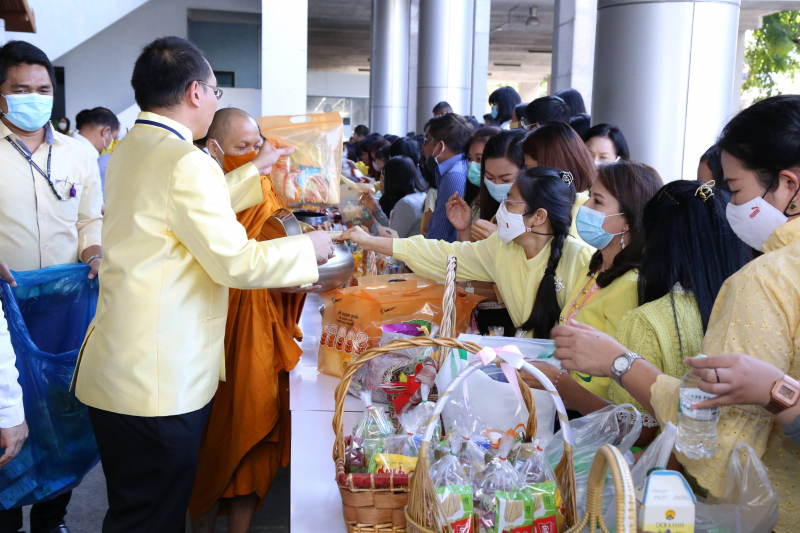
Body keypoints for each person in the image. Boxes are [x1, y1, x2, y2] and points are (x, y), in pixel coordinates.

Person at [69, 36, 334, 532]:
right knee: (153, 516)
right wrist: (308, 249)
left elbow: (181, 210)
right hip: (157, 383)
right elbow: (236, 262)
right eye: (215, 90)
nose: (214, 100)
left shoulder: (134, 147)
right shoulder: (185, 161)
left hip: (121, 368)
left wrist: (254, 169)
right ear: (195, 92)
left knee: (135, 509)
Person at [189, 107, 317, 533]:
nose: (255, 153)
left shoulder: (263, 184)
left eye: (257, 144)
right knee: (211, 435)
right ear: (214, 149)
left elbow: (279, 238)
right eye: (241, 147)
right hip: (215, 319)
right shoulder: (202, 189)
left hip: (260, 319)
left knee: (255, 426)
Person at [553, 180, 751, 445]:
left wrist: (565, 387)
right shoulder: (745, 308)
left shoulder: (647, 320)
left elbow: (638, 430)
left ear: (658, 242)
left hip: (657, 466)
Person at [0, 40, 104, 533]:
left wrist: (94, 251)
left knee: (62, 408)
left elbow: (89, 219)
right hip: (5, 305)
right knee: (9, 405)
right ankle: (7, 514)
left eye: (43, 89)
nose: (34, 98)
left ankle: (52, 516)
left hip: (65, 305)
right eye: (21, 89)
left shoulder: (78, 152)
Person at [343, 167, 594, 338]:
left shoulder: (581, 259)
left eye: (510, 202)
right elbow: (443, 254)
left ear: (538, 217)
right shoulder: (501, 247)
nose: (501, 209)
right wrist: (370, 241)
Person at [530, 161, 663, 405]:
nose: (585, 206)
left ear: (627, 219)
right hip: (568, 406)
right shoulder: (596, 265)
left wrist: (561, 384)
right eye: (589, 196)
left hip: (591, 414)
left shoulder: (629, 286)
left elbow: (617, 391)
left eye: (597, 201)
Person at [520, 121, 597, 237]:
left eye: (530, 170)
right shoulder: (581, 200)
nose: (527, 178)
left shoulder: (577, 209)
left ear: (549, 166)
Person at [466, 129, 526, 243]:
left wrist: (500, 240)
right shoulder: (492, 210)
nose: (496, 185)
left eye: (506, 179)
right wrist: (464, 229)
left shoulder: (536, 217)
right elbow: (472, 252)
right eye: (489, 178)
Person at [423, 113, 473, 242]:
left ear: (440, 146)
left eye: (426, 140)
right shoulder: (455, 168)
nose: (423, 146)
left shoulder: (453, 175)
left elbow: (442, 232)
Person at [361, 156, 427, 238]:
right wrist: (376, 208)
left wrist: (372, 225)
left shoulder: (406, 204)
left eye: (383, 179)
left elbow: (391, 239)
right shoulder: (420, 195)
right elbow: (392, 228)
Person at [74, 107, 120, 194]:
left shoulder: (64, 146)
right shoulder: (88, 157)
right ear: (106, 131)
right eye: (113, 138)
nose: (111, 143)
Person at [463, 125, 501, 228]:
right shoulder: (470, 196)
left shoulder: (501, 199)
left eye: (479, 159)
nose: (472, 165)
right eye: (470, 159)